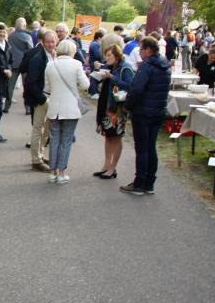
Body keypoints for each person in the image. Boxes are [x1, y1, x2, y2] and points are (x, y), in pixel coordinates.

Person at [121, 37, 171, 195]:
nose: (140, 52)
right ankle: (149, 183)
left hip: (143, 112)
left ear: (149, 49)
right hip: (158, 110)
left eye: (141, 49)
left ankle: (139, 183)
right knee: (151, 147)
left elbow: (136, 89)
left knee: (142, 148)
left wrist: (128, 105)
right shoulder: (165, 65)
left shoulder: (147, 67)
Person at [43, 38, 90, 184]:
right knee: (66, 141)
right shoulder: (76, 64)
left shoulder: (50, 65)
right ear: (72, 51)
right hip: (70, 108)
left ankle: (52, 172)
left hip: (54, 107)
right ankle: (61, 173)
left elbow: (47, 88)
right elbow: (85, 85)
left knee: (55, 139)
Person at [93, 44, 135, 179]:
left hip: (118, 108)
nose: (106, 58)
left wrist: (112, 78)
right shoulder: (112, 66)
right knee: (108, 135)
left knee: (116, 137)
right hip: (107, 105)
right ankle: (106, 165)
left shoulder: (125, 67)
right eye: (106, 55)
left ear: (116, 55)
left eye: (109, 55)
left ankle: (113, 168)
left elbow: (130, 86)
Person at [24, 31, 57, 171]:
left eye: (53, 41)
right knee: (38, 128)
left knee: (46, 130)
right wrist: (42, 99)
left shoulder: (54, 56)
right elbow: (30, 82)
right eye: (48, 42)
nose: (50, 44)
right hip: (40, 98)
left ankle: (40, 154)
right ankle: (36, 160)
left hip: (52, 97)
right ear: (43, 42)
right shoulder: (38, 58)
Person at [6, 17, 34, 114]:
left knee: (10, 86)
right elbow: (31, 51)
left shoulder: (10, 36)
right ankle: (28, 108)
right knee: (27, 87)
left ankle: (6, 106)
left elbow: (7, 50)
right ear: (24, 25)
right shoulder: (27, 37)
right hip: (25, 64)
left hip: (13, 64)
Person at [87, 29, 106, 100]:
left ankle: (90, 92)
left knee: (93, 77)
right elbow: (98, 55)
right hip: (95, 63)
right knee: (94, 78)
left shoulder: (93, 43)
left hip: (93, 62)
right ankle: (93, 93)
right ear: (99, 38)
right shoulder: (95, 44)